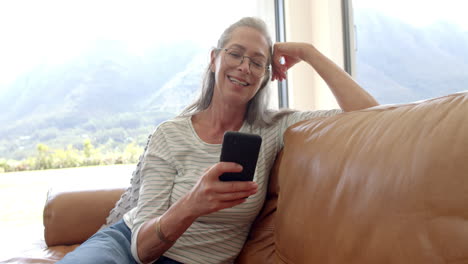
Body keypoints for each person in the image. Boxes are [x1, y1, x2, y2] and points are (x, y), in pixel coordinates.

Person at [58, 17, 378, 264]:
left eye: (257, 61)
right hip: (126, 244)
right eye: (235, 54)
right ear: (214, 59)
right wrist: (192, 205)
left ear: (265, 76)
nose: (244, 67)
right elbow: (141, 249)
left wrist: (308, 53)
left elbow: (370, 115)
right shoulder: (171, 134)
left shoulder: (275, 127)